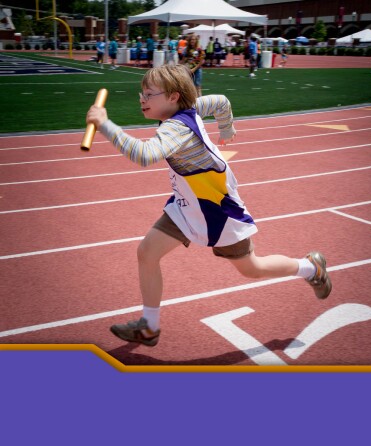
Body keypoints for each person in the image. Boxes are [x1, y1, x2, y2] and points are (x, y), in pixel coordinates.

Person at [85, 64, 332, 347]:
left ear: (174, 97)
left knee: (252, 269)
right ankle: (149, 327)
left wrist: (104, 124)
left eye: (149, 94)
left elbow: (145, 154)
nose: (142, 99)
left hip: (217, 211)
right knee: (147, 253)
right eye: (141, 93)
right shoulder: (193, 106)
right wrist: (226, 128)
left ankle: (310, 268)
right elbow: (222, 102)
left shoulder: (177, 128)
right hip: (187, 203)